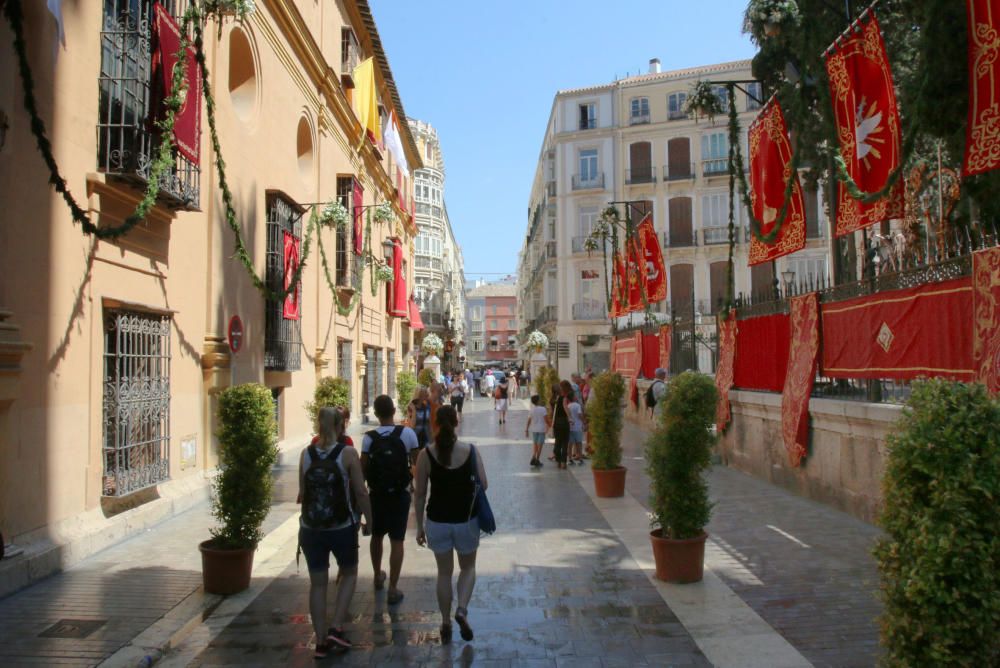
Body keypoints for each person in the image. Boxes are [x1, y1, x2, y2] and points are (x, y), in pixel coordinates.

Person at [298, 407, 372, 657]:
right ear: (341, 426)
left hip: (311, 528)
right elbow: (361, 492)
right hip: (341, 527)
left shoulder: (305, 454)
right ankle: (336, 627)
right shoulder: (348, 453)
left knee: (317, 584)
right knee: (349, 573)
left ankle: (319, 642)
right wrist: (369, 519)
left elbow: (303, 494)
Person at [413, 405, 487, 644]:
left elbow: (420, 493)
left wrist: (419, 526)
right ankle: (462, 610)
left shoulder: (426, 454)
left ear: (435, 424)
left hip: (437, 521)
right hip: (466, 520)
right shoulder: (471, 451)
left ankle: (445, 621)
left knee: (444, 573)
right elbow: (484, 484)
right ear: (457, 423)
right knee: (468, 568)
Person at [361, 395, 420, 606]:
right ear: (394, 411)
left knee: (376, 536)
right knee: (397, 540)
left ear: (376, 414)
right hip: (399, 495)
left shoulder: (368, 438)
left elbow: (363, 469)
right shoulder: (408, 434)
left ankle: (378, 575)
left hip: (376, 495)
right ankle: (393, 588)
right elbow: (417, 463)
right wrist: (412, 481)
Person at [552, 381, 572, 469]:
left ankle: (558, 461)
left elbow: (551, 411)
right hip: (564, 422)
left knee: (558, 442)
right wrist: (570, 417)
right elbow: (565, 407)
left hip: (556, 423)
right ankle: (563, 463)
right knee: (564, 443)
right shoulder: (563, 398)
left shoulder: (553, 399)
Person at [524, 395, 548, 468]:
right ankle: (537, 459)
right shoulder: (543, 409)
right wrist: (550, 426)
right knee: (540, 445)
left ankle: (534, 457)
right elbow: (546, 419)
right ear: (538, 401)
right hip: (541, 429)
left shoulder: (532, 410)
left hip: (534, 429)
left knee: (535, 444)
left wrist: (526, 429)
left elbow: (529, 420)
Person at [567, 388, 585, 465]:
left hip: (570, 427)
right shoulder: (577, 405)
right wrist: (584, 421)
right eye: (575, 396)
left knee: (570, 444)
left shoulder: (568, 405)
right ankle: (580, 458)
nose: (576, 396)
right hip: (578, 427)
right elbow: (580, 415)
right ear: (573, 397)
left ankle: (570, 458)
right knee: (579, 443)